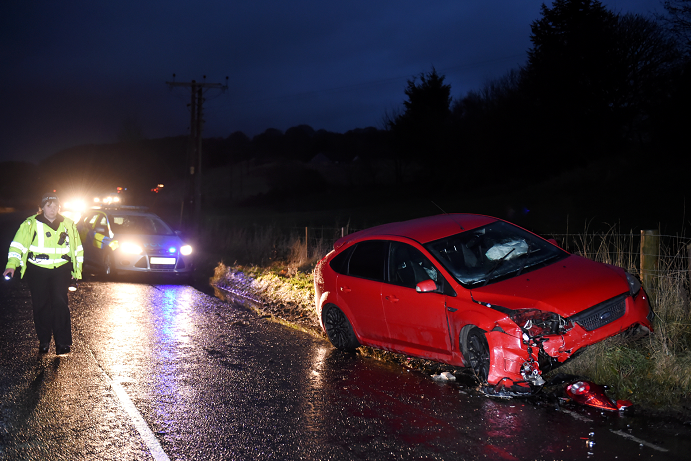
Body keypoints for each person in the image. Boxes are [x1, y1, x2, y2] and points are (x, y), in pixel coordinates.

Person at [3, 193, 84, 355]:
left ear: (59, 207)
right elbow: (17, 246)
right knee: (41, 305)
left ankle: (62, 343)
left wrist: (77, 271)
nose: (52, 209)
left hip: (61, 268)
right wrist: (11, 265)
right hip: (37, 269)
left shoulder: (68, 224)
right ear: (42, 208)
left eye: (55, 206)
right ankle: (44, 341)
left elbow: (77, 249)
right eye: (49, 206)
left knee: (60, 304)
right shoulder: (30, 224)